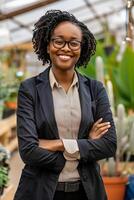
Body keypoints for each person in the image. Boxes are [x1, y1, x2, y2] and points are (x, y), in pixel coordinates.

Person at [14, 10, 116, 200]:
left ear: (81, 47)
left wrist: (59, 144)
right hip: (40, 191)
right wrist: (86, 146)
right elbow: (28, 151)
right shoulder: (30, 89)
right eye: (58, 41)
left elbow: (108, 145)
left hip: (86, 192)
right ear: (47, 44)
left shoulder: (95, 89)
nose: (66, 48)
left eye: (73, 43)